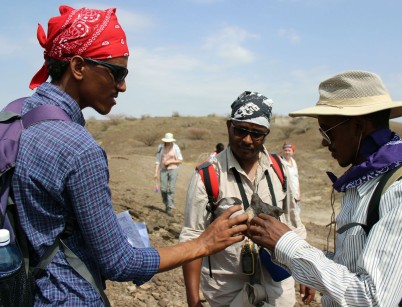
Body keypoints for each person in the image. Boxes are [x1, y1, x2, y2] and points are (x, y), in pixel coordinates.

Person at [11, 6, 248, 305]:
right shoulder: (78, 148)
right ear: (78, 66)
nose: (122, 86)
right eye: (117, 73)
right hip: (67, 295)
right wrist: (203, 243)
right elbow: (119, 263)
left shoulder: (19, 116)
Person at [247, 70, 402, 306]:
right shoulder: (362, 187)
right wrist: (278, 245)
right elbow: (347, 269)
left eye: (327, 131)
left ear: (359, 126)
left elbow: (371, 298)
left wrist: (288, 245)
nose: (324, 141)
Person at [180, 91, 313, 307]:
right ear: (229, 126)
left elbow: (293, 224)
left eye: (257, 134)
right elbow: (191, 240)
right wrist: (193, 301)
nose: (248, 140)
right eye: (240, 131)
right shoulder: (207, 176)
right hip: (227, 291)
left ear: (266, 134)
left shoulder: (279, 169)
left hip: (277, 290)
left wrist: (307, 270)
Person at [154, 132, 183, 216]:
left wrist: (170, 161)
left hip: (173, 169)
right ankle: (166, 203)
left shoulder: (175, 147)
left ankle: (170, 207)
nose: (167, 142)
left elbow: (180, 160)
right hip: (163, 170)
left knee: (171, 188)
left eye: (169, 141)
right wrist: (155, 172)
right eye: (167, 141)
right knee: (163, 189)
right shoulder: (160, 147)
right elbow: (157, 160)